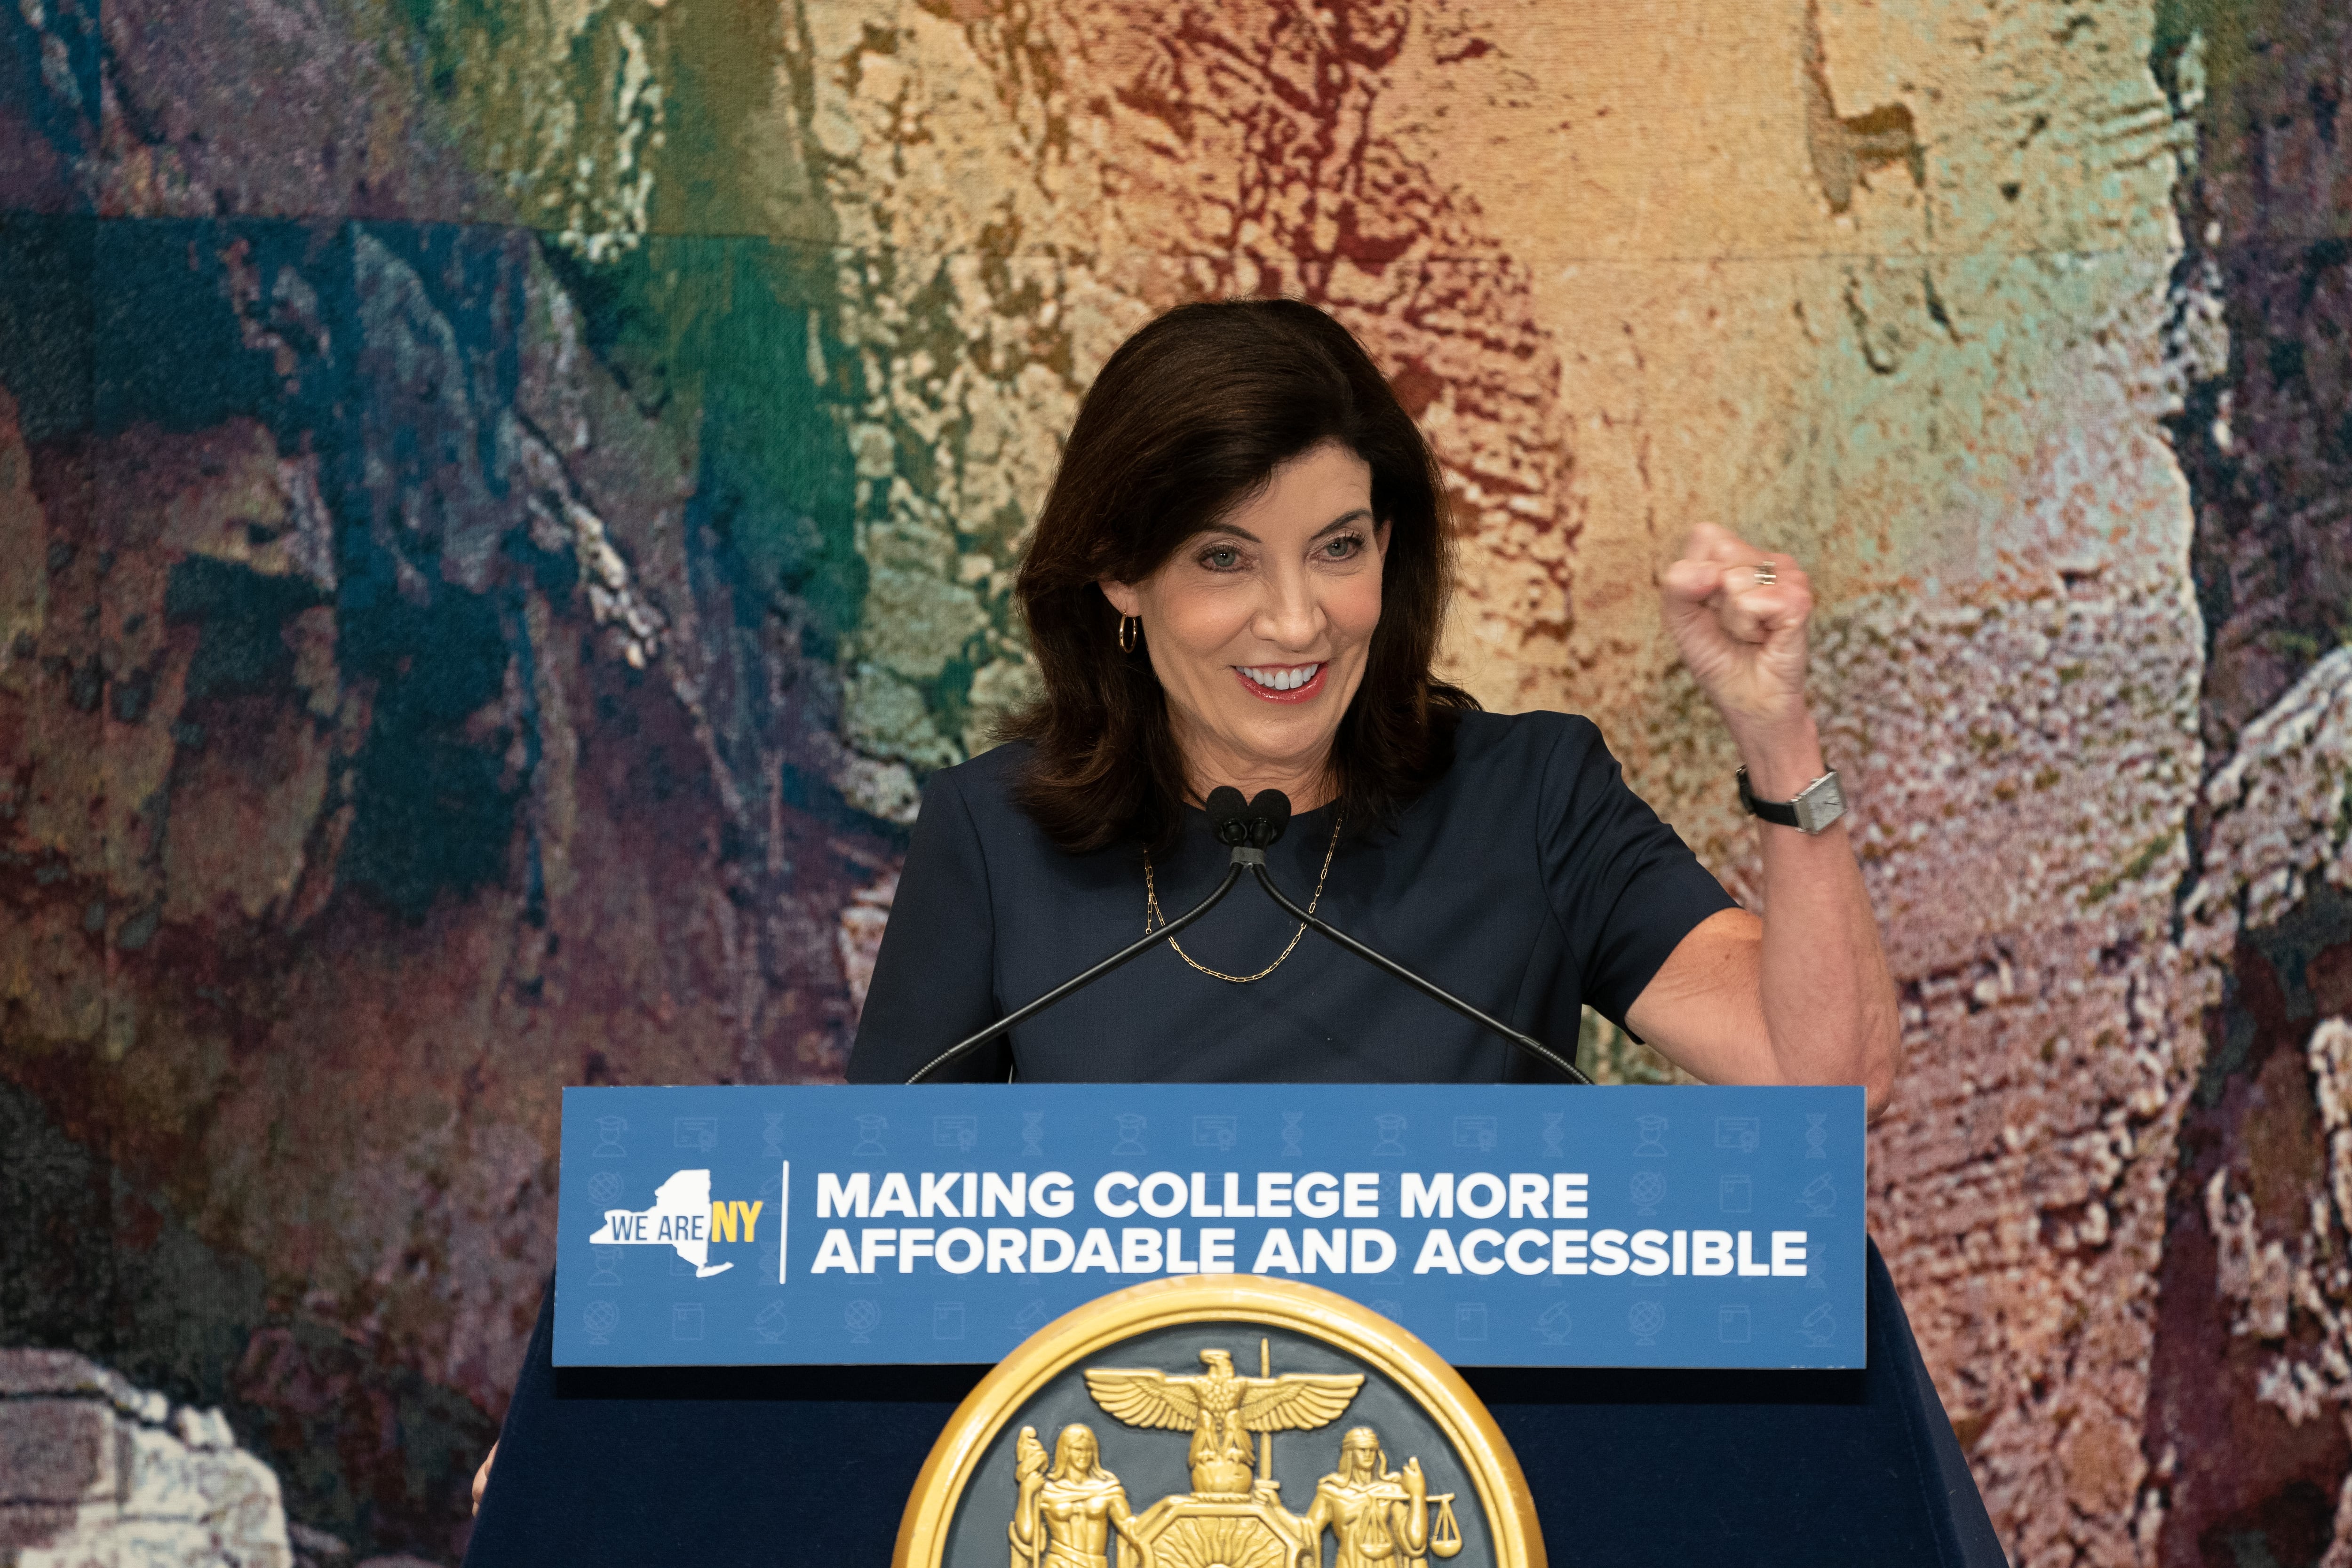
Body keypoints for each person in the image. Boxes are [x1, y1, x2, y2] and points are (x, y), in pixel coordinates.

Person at [846, 297, 1898, 1104]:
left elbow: (1828, 1090)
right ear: (1120, 574)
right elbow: (879, 1230)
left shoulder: (1529, 798)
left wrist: (1776, 733)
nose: (1297, 622)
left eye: (1336, 548)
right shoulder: (993, 834)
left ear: (1388, 546)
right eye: (1225, 558)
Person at [1009, 1423, 1152, 1568]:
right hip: (1059, 1564)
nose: (1083, 1456)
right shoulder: (1049, 1492)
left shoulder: (1108, 1491)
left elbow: (1130, 1530)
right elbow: (1027, 1536)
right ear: (1065, 1451)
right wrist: (1026, 1492)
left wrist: (1168, 1509)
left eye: (1088, 1450)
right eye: (1078, 1449)